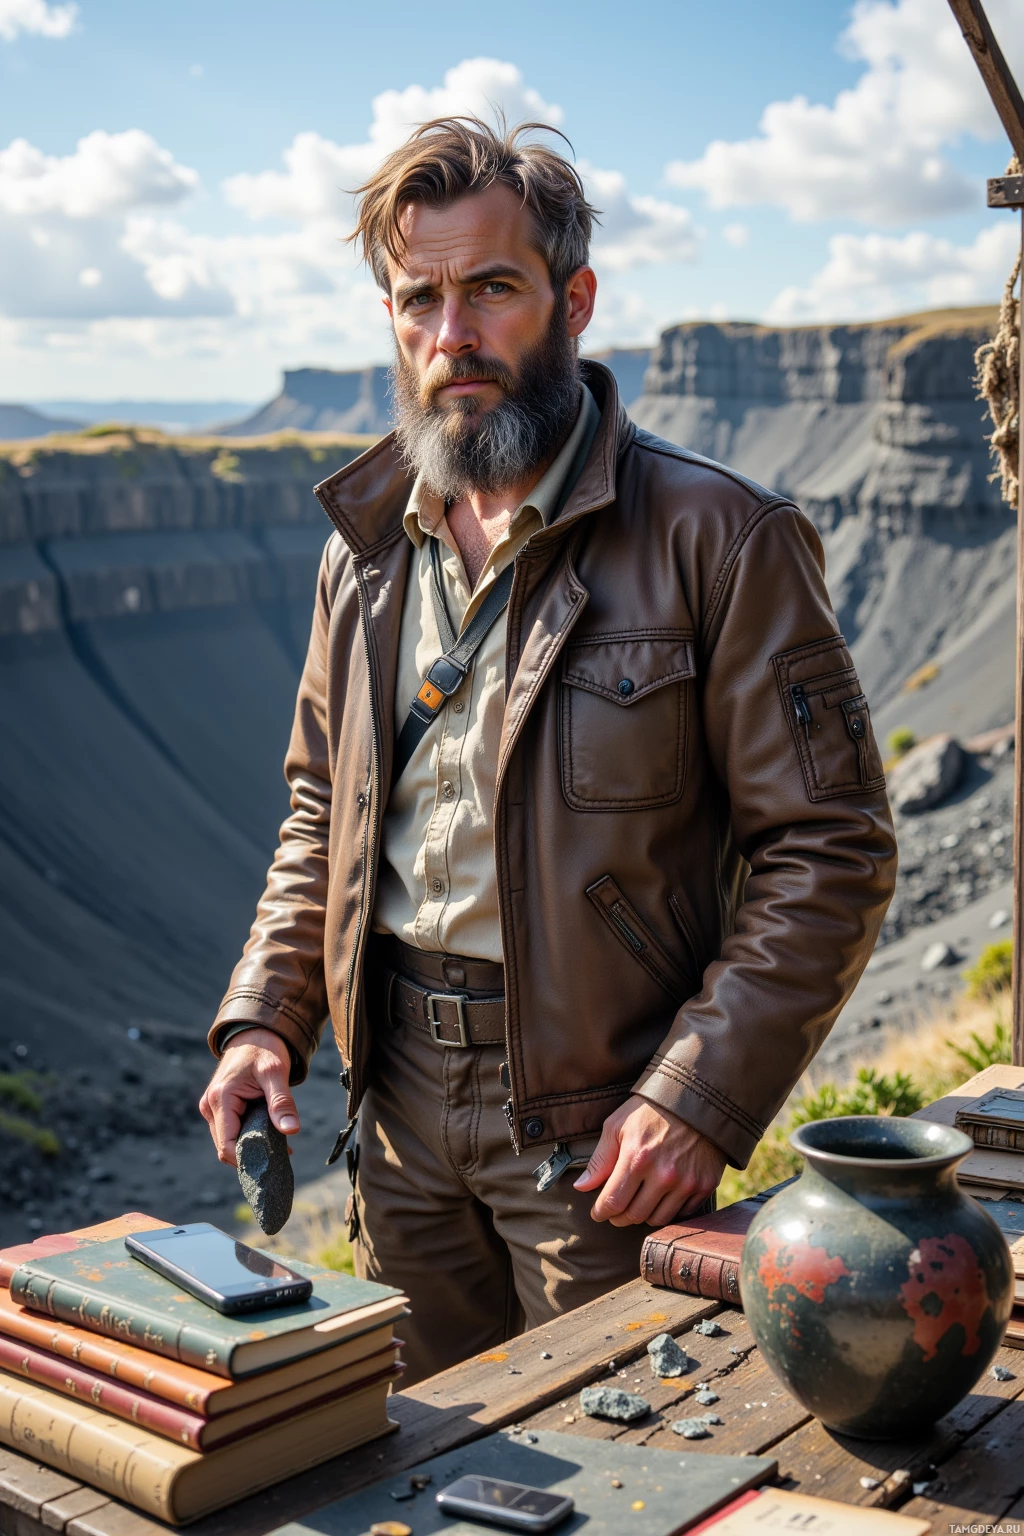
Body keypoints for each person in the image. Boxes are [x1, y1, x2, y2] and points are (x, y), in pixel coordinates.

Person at [200, 116, 897, 1385]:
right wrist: (266, 1016)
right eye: (418, 298)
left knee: (622, 1459)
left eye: (492, 290)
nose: (450, 335)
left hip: (601, 1132)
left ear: (572, 299)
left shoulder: (721, 537)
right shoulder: (363, 552)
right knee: (411, 1467)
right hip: (396, 1116)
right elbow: (323, 817)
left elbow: (830, 847)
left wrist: (697, 1093)